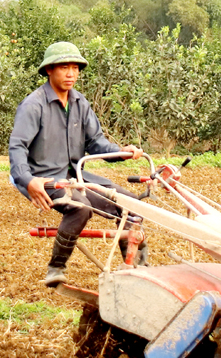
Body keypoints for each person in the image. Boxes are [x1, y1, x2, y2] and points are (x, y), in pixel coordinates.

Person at [8, 41, 144, 286]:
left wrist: (121, 152)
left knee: (132, 206)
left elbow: (96, 142)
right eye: (64, 67)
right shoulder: (33, 105)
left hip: (77, 175)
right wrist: (28, 181)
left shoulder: (80, 103)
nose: (71, 74)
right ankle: (56, 268)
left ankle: (136, 268)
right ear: (49, 70)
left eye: (75, 68)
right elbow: (17, 147)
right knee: (80, 207)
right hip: (45, 177)